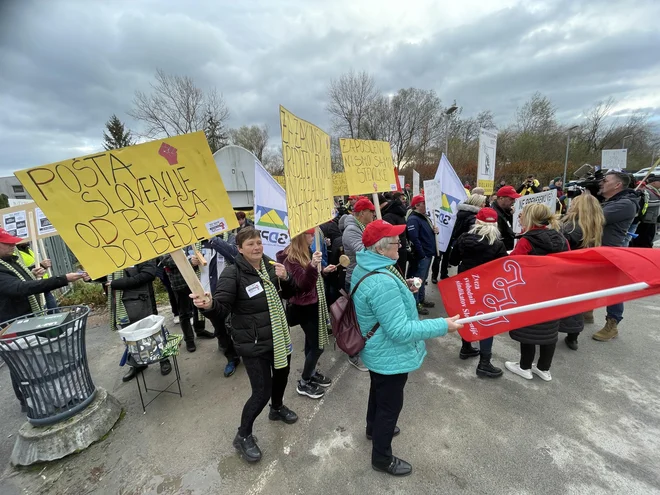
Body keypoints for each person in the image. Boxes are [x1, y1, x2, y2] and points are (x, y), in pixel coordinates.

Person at [351, 219, 462, 476]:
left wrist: (405, 287)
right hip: (389, 352)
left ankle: (372, 428)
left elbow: (382, 301)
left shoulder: (370, 264)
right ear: (380, 248)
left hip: (377, 349)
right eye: (395, 242)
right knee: (390, 406)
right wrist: (443, 326)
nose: (400, 244)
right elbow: (400, 331)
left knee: (378, 392)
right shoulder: (382, 281)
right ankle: (381, 457)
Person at [191, 227, 298, 464]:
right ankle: (243, 435)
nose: (257, 247)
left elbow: (290, 294)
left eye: (259, 242)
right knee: (261, 392)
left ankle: (277, 408)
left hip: (278, 337)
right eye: (250, 244)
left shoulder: (270, 265)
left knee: (282, 375)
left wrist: (286, 278)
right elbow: (221, 308)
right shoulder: (233, 273)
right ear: (239, 249)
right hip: (253, 343)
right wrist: (208, 306)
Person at [0, 228, 87, 410]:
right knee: (23, 366)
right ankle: (29, 401)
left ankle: (53, 397)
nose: (12, 245)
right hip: (13, 324)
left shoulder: (10, 261)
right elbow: (17, 288)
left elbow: (20, 283)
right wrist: (63, 279)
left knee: (38, 363)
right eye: (6, 243)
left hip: (30, 319)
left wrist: (33, 273)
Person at [505, 204, 569, 382]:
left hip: (530, 292)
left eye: (522, 214)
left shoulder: (527, 240)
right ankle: (544, 368)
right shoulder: (561, 238)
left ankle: (525, 366)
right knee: (550, 330)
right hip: (554, 292)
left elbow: (513, 264)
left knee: (529, 330)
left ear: (529, 218)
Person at [278, 230, 337, 398]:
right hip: (303, 307)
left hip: (313, 303)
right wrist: (312, 266)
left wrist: (323, 270)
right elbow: (303, 285)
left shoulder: (305, 251)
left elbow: (312, 277)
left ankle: (310, 372)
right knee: (318, 346)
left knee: (311, 344)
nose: (313, 238)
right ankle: (304, 382)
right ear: (301, 237)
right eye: (310, 235)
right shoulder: (291, 258)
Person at [449, 208, 508, 377]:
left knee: (466, 315)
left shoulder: (463, 239)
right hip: (487, 286)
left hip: (465, 284)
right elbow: (503, 268)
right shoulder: (498, 243)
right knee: (486, 321)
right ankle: (484, 363)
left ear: (477, 221)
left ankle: (466, 347)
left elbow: (452, 260)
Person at [92, 260, 172, 382]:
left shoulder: (138, 248)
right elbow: (103, 274)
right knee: (129, 337)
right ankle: (137, 364)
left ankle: (163, 360)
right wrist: (91, 275)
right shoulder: (108, 252)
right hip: (120, 303)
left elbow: (148, 274)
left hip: (142, 300)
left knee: (153, 333)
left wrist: (117, 283)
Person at [592, 171, 640, 342]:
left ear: (617, 185)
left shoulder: (625, 204)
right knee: (588, 282)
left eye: (605, 180)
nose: (601, 183)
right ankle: (587, 312)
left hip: (611, 253)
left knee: (613, 289)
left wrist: (586, 202)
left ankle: (612, 323)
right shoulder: (614, 201)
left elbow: (594, 218)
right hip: (598, 250)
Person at [194, 233, 243, 377]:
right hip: (207, 294)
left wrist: (214, 239)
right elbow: (184, 268)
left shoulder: (231, 237)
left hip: (230, 291)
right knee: (220, 330)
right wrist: (191, 262)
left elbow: (235, 256)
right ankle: (232, 358)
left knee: (237, 325)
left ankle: (246, 351)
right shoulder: (195, 243)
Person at [559, 195, 604, 349]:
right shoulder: (594, 225)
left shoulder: (571, 226)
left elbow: (558, 245)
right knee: (577, 305)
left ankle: (554, 334)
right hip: (585, 271)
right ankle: (573, 337)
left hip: (568, 270)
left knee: (561, 304)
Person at [162, 252, 216, 352]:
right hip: (180, 285)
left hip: (196, 281)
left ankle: (200, 330)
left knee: (199, 307)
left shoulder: (186, 243)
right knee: (184, 313)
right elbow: (166, 261)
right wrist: (189, 261)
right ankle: (189, 339)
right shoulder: (164, 245)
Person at [432, 194, 486, 283]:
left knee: (445, 256)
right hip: (448, 234)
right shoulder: (471, 216)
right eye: (483, 202)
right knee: (439, 255)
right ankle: (436, 275)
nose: (485, 204)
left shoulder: (462, 212)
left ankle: (442, 273)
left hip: (453, 236)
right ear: (477, 202)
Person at [406, 195, 439, 315]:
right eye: (424, 203)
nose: (427, 205)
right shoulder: (414, 219)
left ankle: (421, 299)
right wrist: (422, 254)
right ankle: (415, 303)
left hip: (426, 253)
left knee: (422, 279)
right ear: (417, 205)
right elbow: (414, 238)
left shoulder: (424, 217)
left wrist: (435, 230)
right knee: (417, 279)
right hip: (422, 255)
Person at [341, 198, 376, 293]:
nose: (374, 214)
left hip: (364, 277)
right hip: (356, 279)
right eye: (371, 211)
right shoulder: (351, 230)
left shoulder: (363, 227)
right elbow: (363, 252)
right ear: (362, 213)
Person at [15, 242, 57, 310]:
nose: (27, 240)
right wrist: (41, 265)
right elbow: (19, 272)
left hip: (42, 284)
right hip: (32, 288)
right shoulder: (15, 253)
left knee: (54, 311)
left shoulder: (29, 249)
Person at [382, 191, 409, 275]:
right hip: (400, 248)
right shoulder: (401, 215)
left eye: (405, 198)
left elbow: (390, 235)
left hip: (395, 249)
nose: (404, 200)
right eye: (403, 198)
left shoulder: (388, 216)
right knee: (400, 273)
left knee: (396, 273)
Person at [631, 174, 660, 248]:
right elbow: (644, 204)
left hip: (652, 219)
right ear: (653, 182)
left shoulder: (655, 191)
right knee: (644, 240)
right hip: (646, 219)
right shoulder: (646, 191)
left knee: (649, 238)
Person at [491, 186, 521, 250]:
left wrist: (510, 214)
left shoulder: (505, 211)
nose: (514, 201)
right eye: (511, 199)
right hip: (502, 251)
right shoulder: (494, 214)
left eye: (514, 199)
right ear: (501, 198)